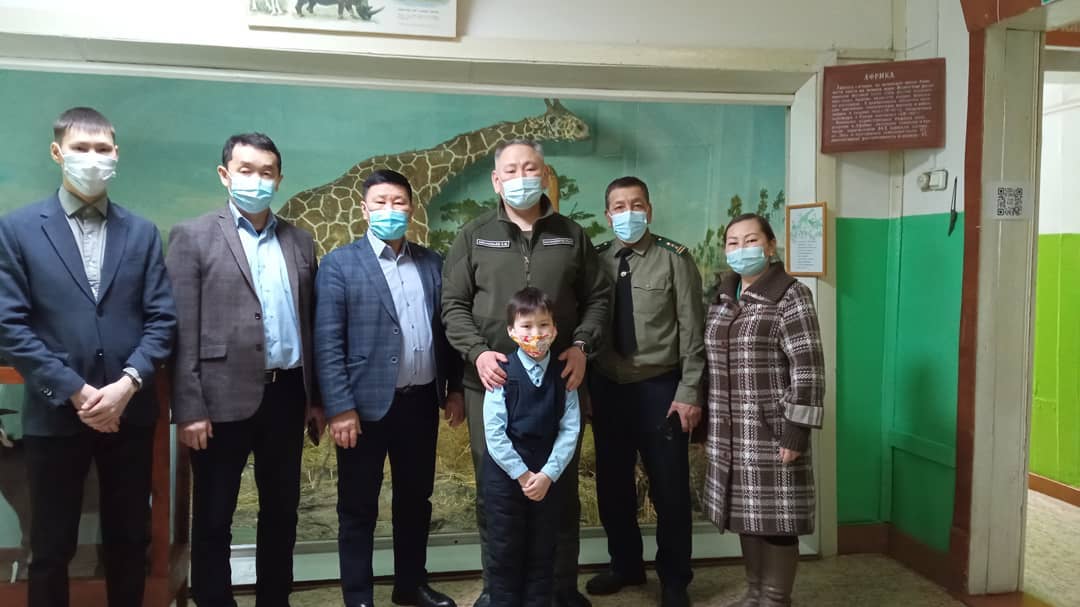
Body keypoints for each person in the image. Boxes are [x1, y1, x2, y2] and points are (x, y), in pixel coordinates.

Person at [0, 106, 177, 607]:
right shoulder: (17, 229)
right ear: (57, 152)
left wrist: (127, 384)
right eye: (81, 148)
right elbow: (9, 325)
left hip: (129, 413)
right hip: (55, 413)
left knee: (129, 541)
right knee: (50, 546)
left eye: (102, 149)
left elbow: (162, 319)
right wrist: (75, 390)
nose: (93, 158)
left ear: (116, 155)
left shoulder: (141, 232)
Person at [441, 139, 609, 607]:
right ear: (496, 181)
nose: (521, 178)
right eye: (511, 170)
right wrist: (477, 353)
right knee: (497, 492)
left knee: (559, 487)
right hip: (490, 383)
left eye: (530, 168)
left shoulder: (571, 236)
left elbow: (599, 299)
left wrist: (581, 346)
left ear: (545, 174)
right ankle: (499, 592)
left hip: (559, 382)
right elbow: (452, 304)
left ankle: (560, 590)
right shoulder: (474, 236)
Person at [166, 132, 324, 607]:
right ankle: (214, 600)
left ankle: (274, 599)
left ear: (279, 178)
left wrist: (316, 399)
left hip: (287, 395)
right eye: (246, 170)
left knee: (282, 511)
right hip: (217, 401)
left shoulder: (300, 241)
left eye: (266, 172)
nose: (257, 180)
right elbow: (181, 330)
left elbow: (311, 324)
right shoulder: (193, 236)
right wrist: (189, 408)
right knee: (215, 514)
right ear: (225, 174)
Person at [316, 169, 465, 607]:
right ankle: (359, 596)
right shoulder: (340, 264)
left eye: (398, 202)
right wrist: (339, 407)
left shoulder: (433, 263)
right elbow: (328, 342)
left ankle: (410, 585)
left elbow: (447, 332)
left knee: (416, 500)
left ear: (411, 209)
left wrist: (455, 389)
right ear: (364, 209)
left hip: (420, 402)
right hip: (361, 409)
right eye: (380, 202)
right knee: (357, 507)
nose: (390, 210)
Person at [586, 177, 703, 607]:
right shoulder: (596, 260)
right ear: (608, 215)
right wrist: (586, 391)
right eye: (619, 206)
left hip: (660, 389)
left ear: (649, 211)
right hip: (608, 388)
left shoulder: (675, 259)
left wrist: (689, 391)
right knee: (613, 486)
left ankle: (674, 578)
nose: (628, 213)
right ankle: (625, 564)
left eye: (636, 205)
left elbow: (693, 331)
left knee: (669, 488)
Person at [703, 213, 824, 607]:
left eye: (751, 240)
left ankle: (774, 598)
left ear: (770, 246)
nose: (742, 249)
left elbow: (808, 366)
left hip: (771, 429)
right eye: (733, 242)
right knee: (746, 515)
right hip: (729, 432)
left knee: (777, 520)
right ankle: (754, 594)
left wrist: (797, 430)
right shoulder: (722, 299)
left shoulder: (792, 295)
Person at [483, 287, 581, 607]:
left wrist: (548, 475)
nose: (536, 334)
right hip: (507, 479)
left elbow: (570, 429)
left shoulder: (563, 374)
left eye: (543, 325)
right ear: (511, 331)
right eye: (526, 326)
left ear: (555, 329)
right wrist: (523, 476)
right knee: (505, 551)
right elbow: (494, 433)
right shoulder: (501, 373)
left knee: (544, 552)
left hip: (547, 477)